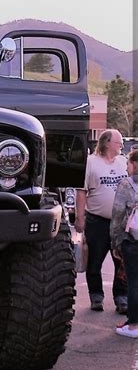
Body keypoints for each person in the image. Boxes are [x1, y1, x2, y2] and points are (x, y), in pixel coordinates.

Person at [75, 129, 128, 312]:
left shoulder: (123, 162)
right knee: (95, 261)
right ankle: (96, 296)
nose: (121, 145)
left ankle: (121, 298)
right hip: (97, 221)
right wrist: (80, 218)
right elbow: (82, 192)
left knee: (122, 262)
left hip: (121, 223)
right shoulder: (91, 162)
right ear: (106, 143)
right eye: (118, 142)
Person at [111, 149, 138, 337]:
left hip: (132, 240)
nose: (126, 167)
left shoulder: (126, 185)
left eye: (128, 163)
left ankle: (134, 325)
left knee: (134, 282)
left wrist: (115, 242)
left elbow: (118, 215)